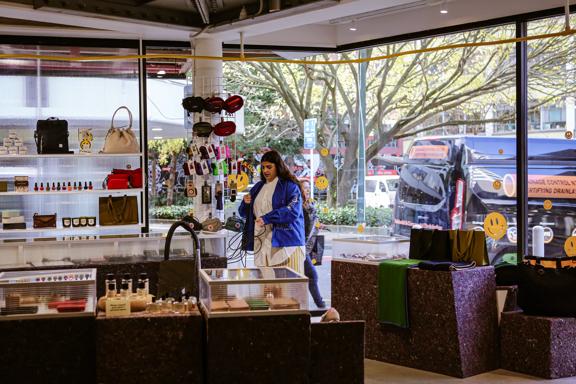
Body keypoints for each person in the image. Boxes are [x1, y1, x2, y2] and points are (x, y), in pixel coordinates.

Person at [239, 150, 306, 274]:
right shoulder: (258, 187)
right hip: (262, 243)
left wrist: (267, 218)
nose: (265, 171)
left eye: (269, 167)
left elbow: (292, 211)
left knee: (290, 289)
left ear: (278, 166)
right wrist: (245, 203)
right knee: (268, 289)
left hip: (287, 244)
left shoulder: (289, 186)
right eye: (263, 167)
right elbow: (244, 214)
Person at [301, 179, 326, 308]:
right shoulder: (299, 206)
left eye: (308, 187)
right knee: (312, 275)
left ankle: (305, 303)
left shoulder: (308, 205)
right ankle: (320, 304)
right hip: (301, 247)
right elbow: (303, 226)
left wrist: (318, 225)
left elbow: (311, 223)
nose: (308, 190)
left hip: (309, 245)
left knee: (307, 275)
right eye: (305, 188)